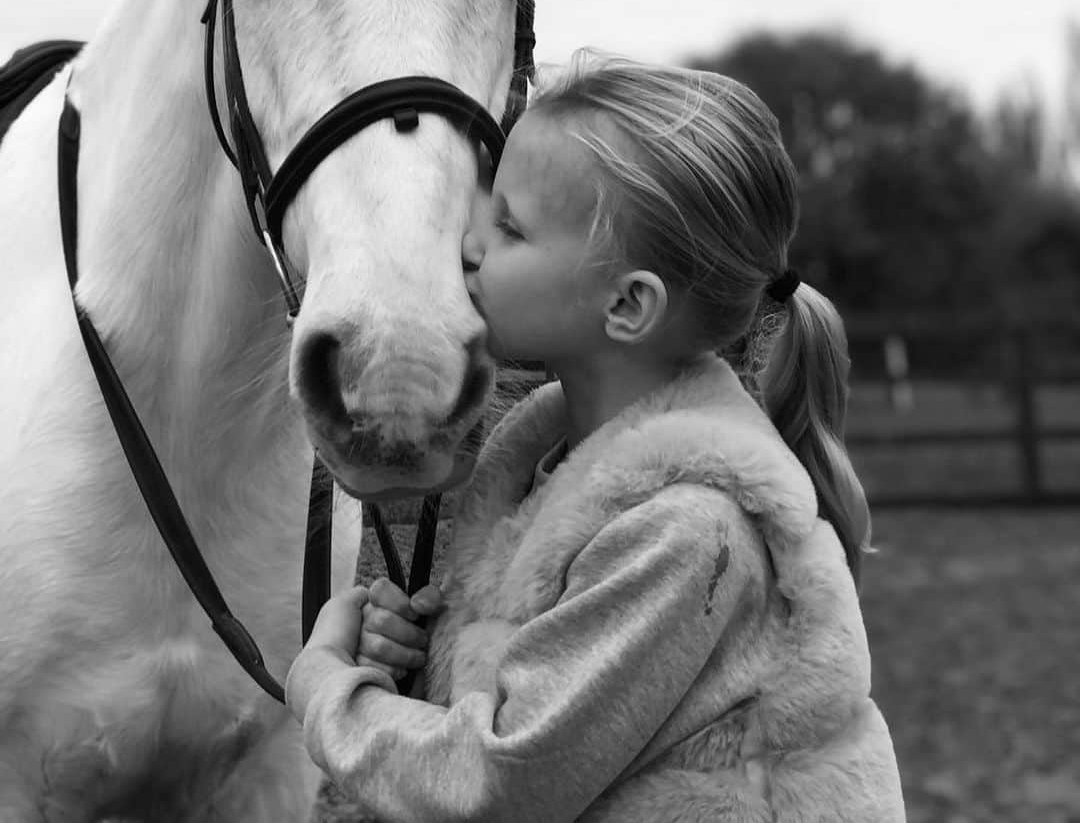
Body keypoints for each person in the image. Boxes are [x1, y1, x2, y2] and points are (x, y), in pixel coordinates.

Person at [286, 53, 906, 821]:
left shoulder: (685, 532)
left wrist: (328, 689)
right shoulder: (547, 472)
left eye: (510, 226)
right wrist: (406, 660)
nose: (472, 244)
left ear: (626, 306)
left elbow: (504, 779)